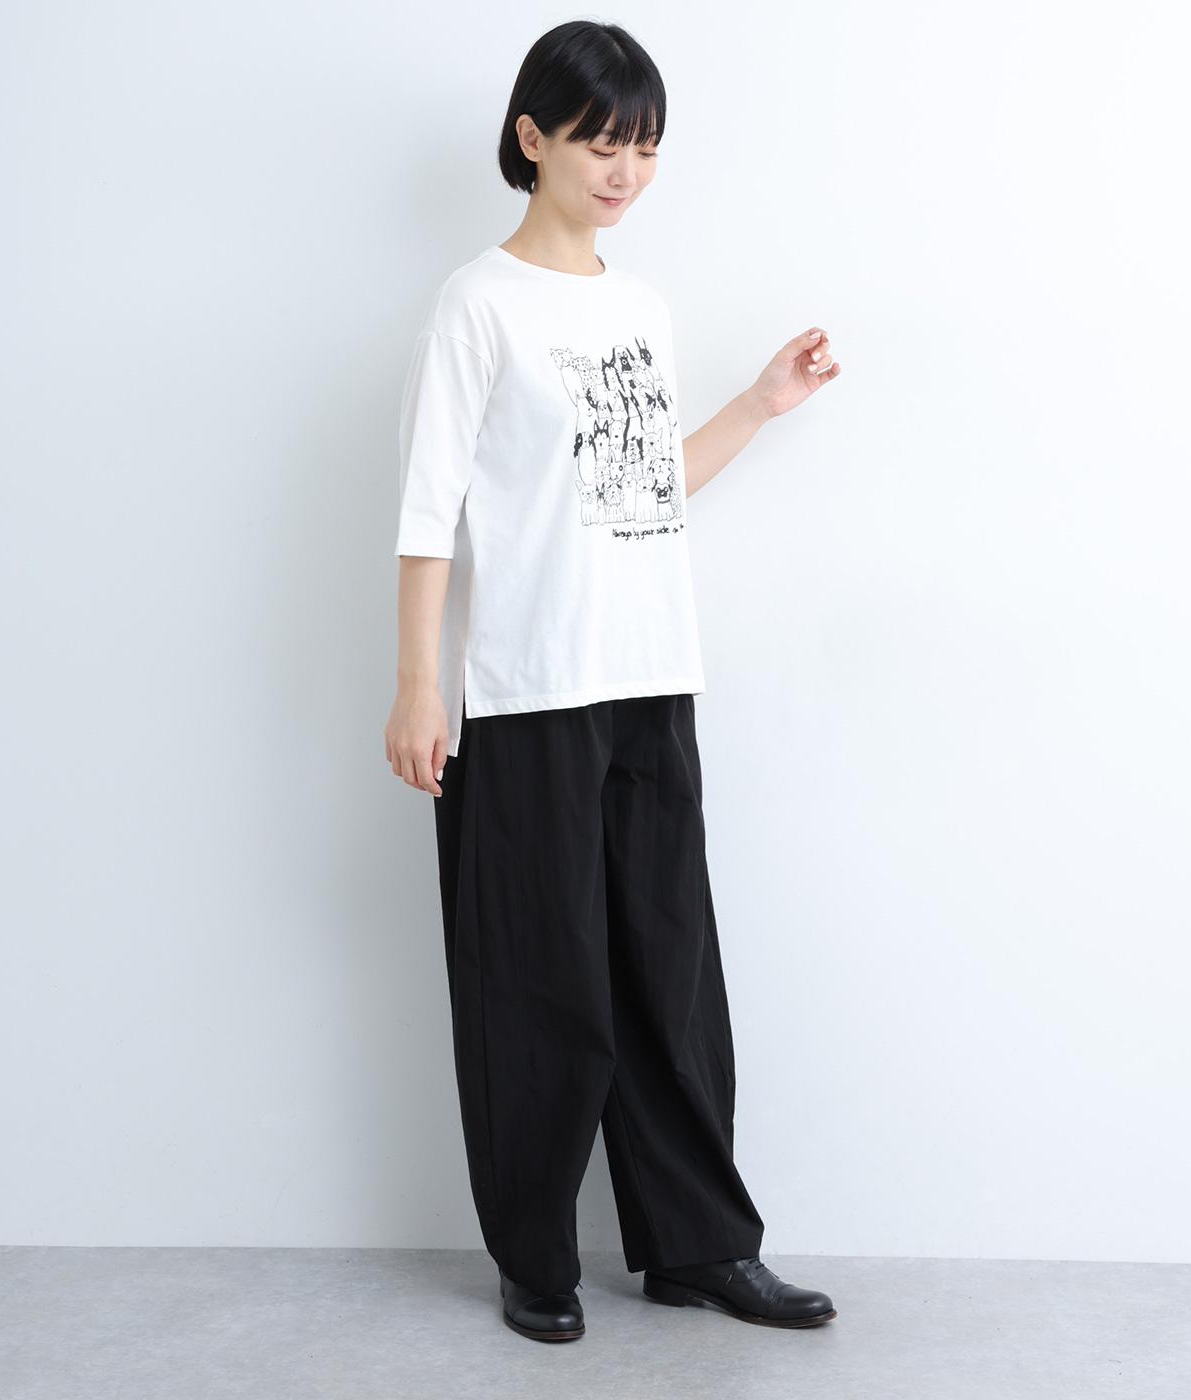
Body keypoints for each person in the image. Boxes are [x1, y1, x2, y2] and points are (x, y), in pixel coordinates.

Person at [384, 19, 842, 1343]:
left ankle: (699, 1247)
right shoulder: (476, 304)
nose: (626, 169)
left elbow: (644, 485)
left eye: (644, 145)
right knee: (540, 984)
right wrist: (419, 684)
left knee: (670, 978)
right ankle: (537, 1261)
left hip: (650, 677)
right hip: (526, 690)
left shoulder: (638, 308)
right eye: (601, 142)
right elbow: (427, 510)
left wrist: (758, 404)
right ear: (533, 138)